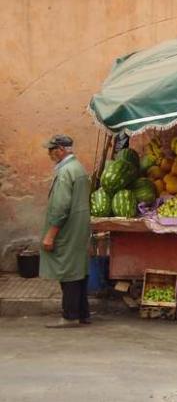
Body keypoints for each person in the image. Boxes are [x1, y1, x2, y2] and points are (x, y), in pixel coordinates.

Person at [40, 135, 91, 328]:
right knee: (78, 269)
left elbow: (60, 207)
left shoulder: (66, 172)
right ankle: (82, 313)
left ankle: (70, 316)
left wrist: (50, 234)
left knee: (67, 271)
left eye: (51, 150)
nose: (49, 154)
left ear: (60, 149)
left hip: (67, 230)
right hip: (78, 228)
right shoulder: (78, 168)